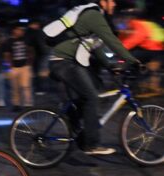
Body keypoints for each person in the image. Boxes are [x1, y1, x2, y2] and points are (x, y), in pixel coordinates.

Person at [44, 0, 140, 155]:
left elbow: (97, 49)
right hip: (64, 62)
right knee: (91, 97)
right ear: (103, 1)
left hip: (68, 62)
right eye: (112, 1)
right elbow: (112, 41)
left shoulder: (94, 15)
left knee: (91, 91)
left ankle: (78, 129)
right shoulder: (94, 15)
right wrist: (132, 60)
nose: (114, 4)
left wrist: (111, 67)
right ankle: (91, 144)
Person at [4, 23, 34, 112]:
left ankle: (28, 104)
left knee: (26, 86)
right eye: (19, 29)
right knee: (15, 87)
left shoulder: (26, 40)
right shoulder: (9, 41)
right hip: (14, 68)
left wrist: (29, 64)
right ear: (14, 30)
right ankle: (16, 104)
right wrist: (9, 66)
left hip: (25, 67)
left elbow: (31, 51)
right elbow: (7, 54)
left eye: (22, 30)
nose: (21, 31)